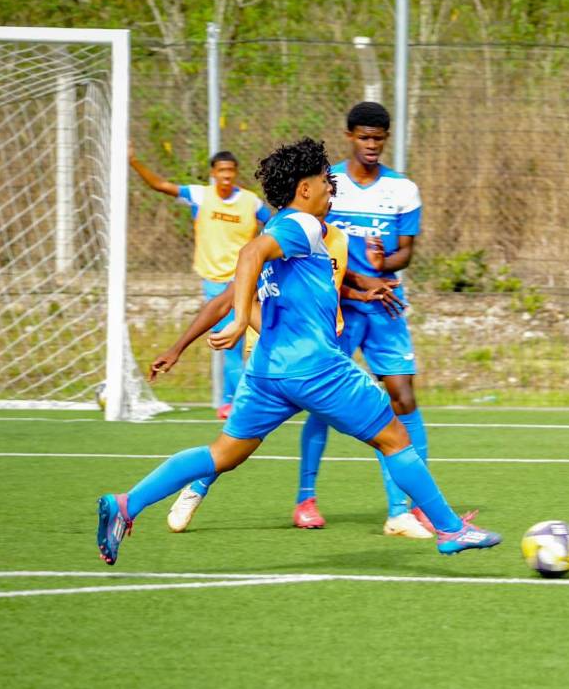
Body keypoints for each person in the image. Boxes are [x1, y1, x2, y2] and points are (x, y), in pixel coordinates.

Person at [96, 137, 501, 565]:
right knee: (395, 437)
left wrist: (248, 321)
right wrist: (236, 320)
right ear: (304, 188)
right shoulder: (302, 226)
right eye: (326, 181)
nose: (332, 188)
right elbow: (249, 253)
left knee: (223, 454)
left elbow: (266, 287)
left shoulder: (280, 230)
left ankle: (126, 504)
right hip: (316, 369)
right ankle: (452, 530)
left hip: (269, 372)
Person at [148, 203, 405, 532]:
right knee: (238, 442)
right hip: (272, 355)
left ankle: (367, 508)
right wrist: (177, 347)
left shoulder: (334, 238)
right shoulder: (280, 235)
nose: (328, 196)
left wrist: (361, 292)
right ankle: (198, 485)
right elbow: (227, 299)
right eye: (324, 185)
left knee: (358, 422)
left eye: (331, 189)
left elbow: (332, 280)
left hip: (320, 352)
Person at [318, 101, 433, 539]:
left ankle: (408, 507)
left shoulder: (403, 189)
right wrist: (364, 279)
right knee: (319, 404)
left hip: (385, 305)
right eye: (364, 138)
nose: (371, 145)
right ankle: (305, 497)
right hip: (340, 305)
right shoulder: (328, 184)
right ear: (349, 136)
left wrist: (388, 261)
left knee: (404, 397)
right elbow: (320, 248)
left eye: (378, 139)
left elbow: (407, 251)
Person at [129, 144, 271, 419]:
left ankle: (236, 402)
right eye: (221, 171)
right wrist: (134, 161)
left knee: (235, 343)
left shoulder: (250, 202)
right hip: (214, 282)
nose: (226, 176)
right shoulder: (200, 196)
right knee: (229, 343)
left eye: (230, 171)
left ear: (236, 173)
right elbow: (160, 185)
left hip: (242, 281)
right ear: (213, 173)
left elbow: (274, 224)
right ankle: (236, 402)